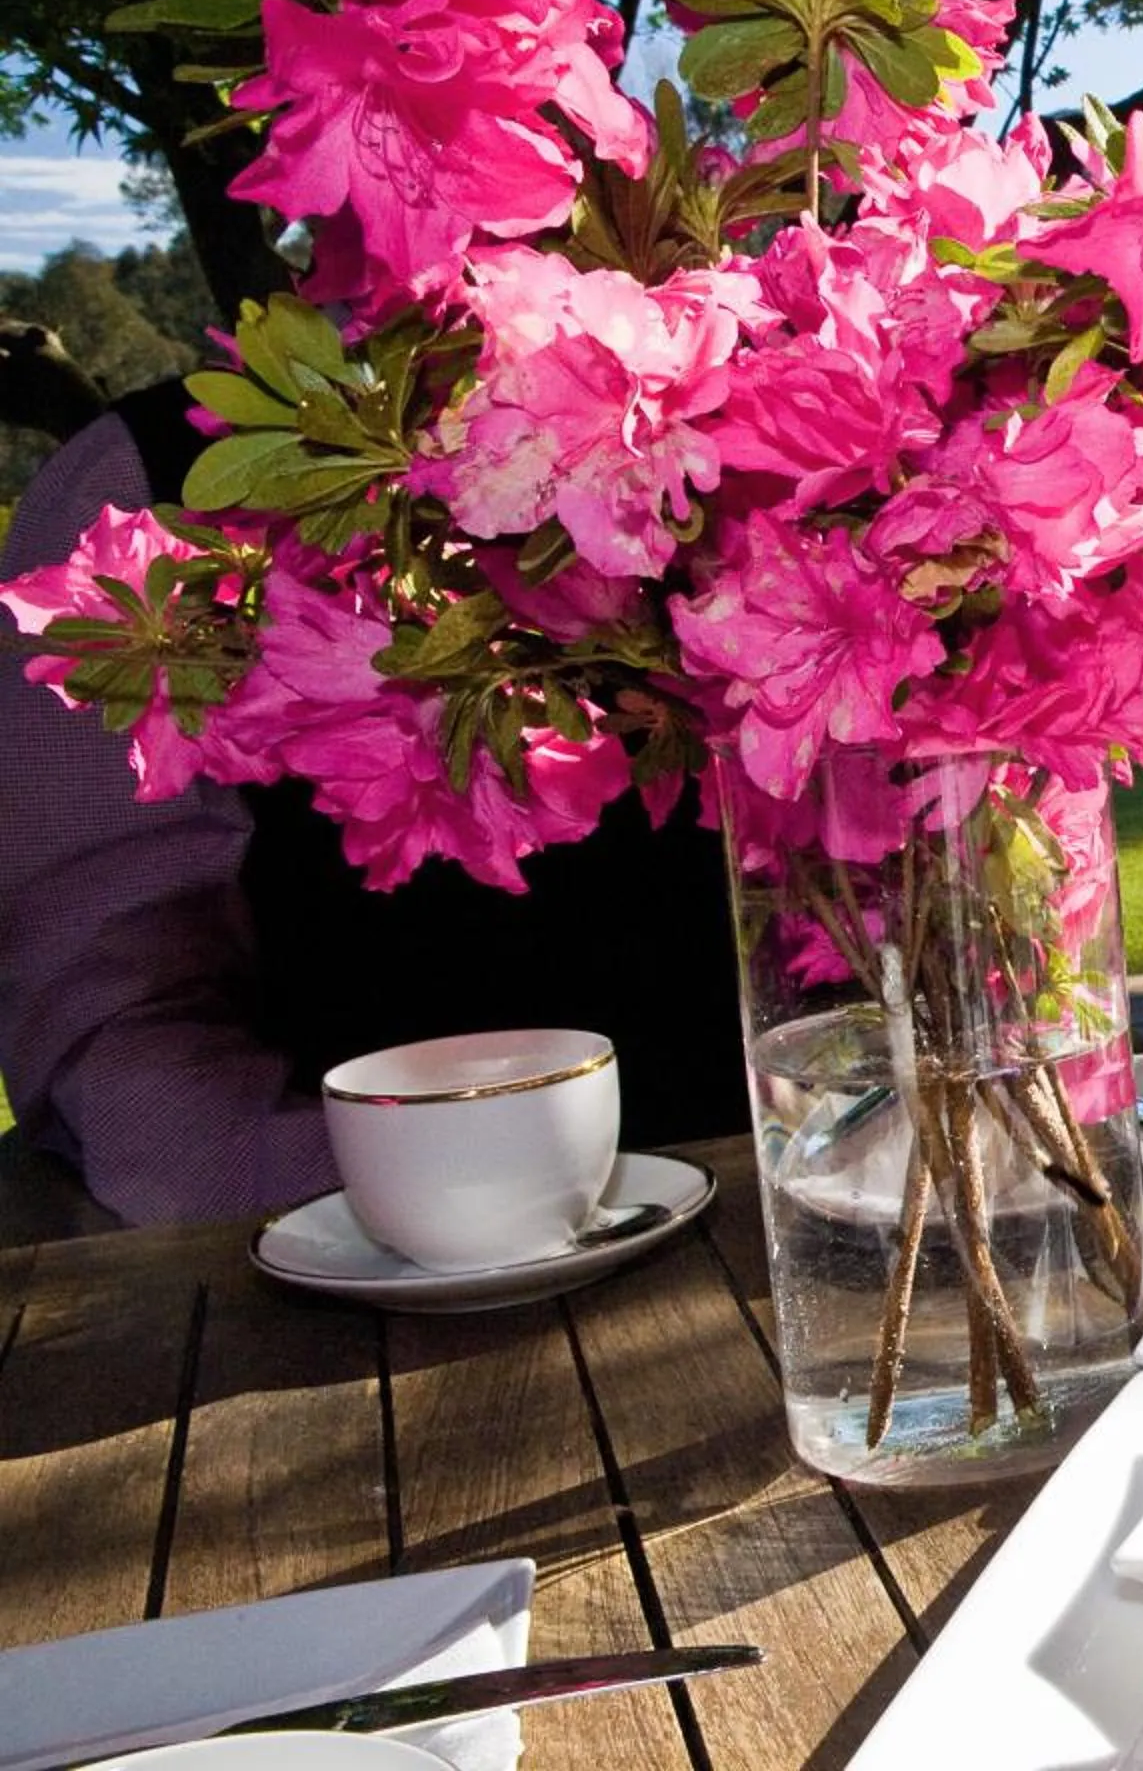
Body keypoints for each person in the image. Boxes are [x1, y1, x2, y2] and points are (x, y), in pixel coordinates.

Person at [0, 381, 746, 1231]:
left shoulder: (752, 370)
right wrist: (402, 1210)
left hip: (825, 1204)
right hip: (391, 1286)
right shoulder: (143, 478)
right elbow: (114, 1035)